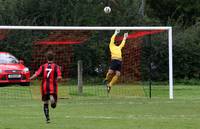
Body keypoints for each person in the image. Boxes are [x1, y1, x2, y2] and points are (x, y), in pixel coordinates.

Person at [30, 51, 62, 123]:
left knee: (45, 102)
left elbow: (36, 75)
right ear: (53, 58)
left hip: (44, 87)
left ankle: (47, 119)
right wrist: (58, 79)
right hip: (53, 87)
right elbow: (59, 77)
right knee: (53, 106)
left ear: (46, 58)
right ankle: (52, 98)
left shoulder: (43, 66)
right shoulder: (56, 67)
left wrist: (30, 79)